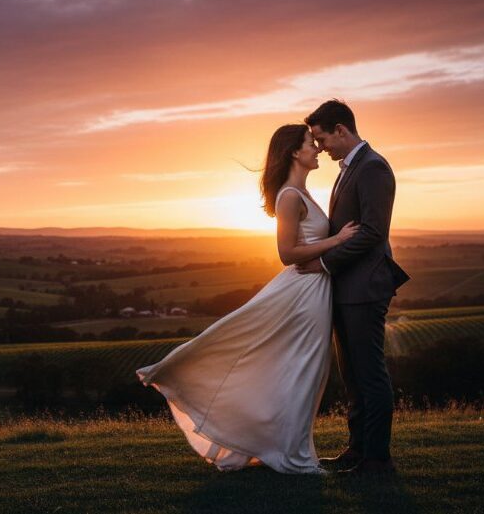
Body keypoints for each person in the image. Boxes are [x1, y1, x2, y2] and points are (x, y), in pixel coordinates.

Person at [136, 123, 358, 474]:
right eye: (310, 143)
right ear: (294, 153)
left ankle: (284, 447)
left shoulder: (303, 193)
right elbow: (287, 253)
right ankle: (295, 459)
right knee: (304, 371)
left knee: (304, 371)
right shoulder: (289, 196)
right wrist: (338, 240)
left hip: (313, 291)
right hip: (302, 296)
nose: (317, 149)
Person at [297, 99, 409, 476]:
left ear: (341, 130)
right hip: (347, 290)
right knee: (353, 376)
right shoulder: (350, 168)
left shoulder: (373, 168)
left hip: (365, 288)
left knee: (369, 373)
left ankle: (377, 459)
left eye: (322, 137)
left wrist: (325, 262)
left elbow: (374, 233)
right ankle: (357, 450)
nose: (320, 146)